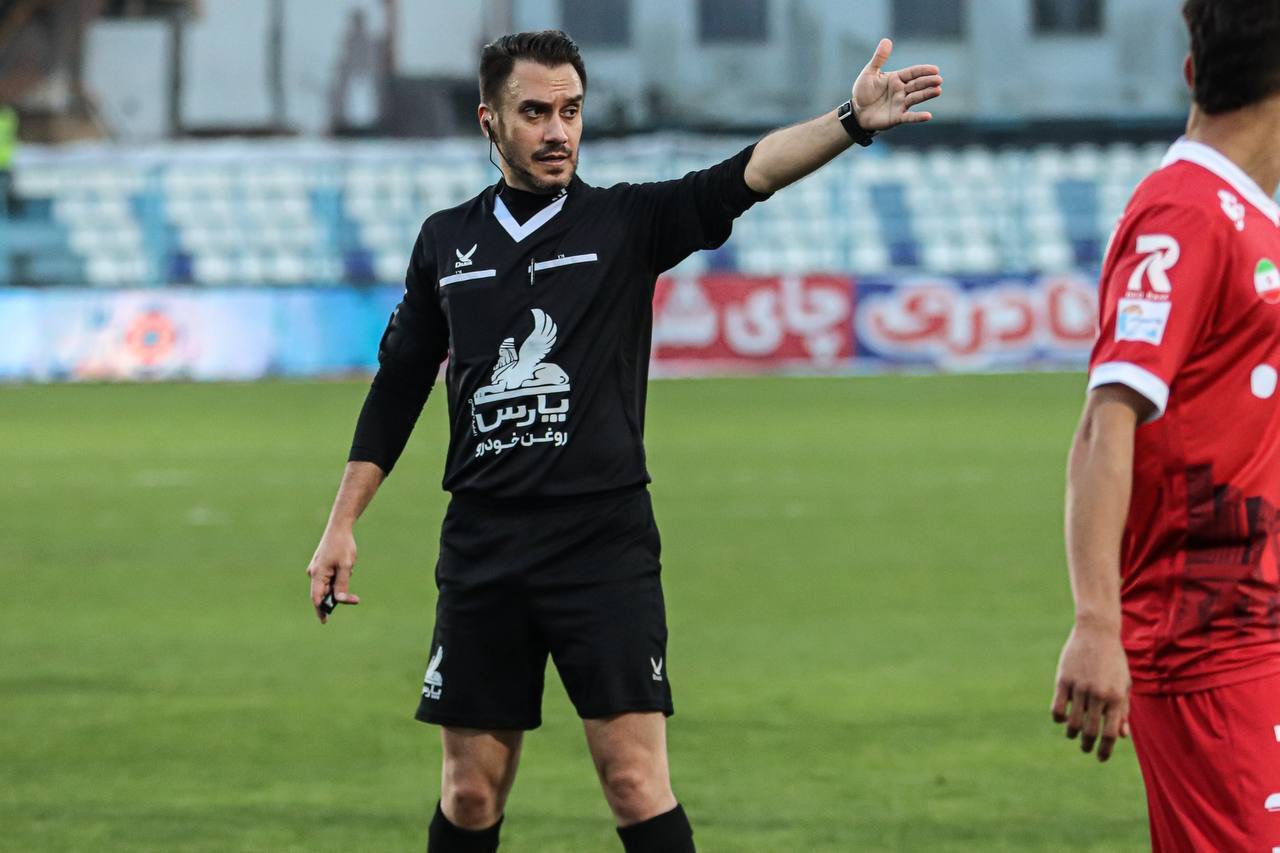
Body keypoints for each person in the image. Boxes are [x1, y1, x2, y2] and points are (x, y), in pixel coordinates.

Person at [306, 30, 941, 852]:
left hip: (600, 541)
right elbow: (398, 386)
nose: (557, 131)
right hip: (483, 543)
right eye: (535, 112)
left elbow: (744, 176)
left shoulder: (624, 222)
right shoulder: (444, 242)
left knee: (636, 782)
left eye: (571, 111)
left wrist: (848, 122)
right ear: (490, 121)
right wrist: (342, 521)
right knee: (468, 791)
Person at [1050, 2, 1280, 849]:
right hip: (1207, 643)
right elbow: (1106, 420)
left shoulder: (1247, 216)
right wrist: (1096, 623)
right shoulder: (1184, 213)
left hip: (1257, 623)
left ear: (1193, 74)